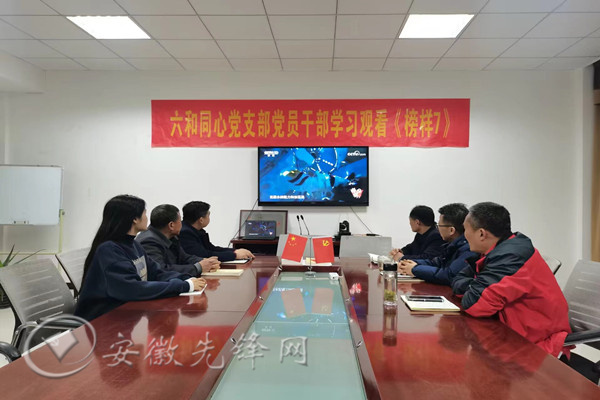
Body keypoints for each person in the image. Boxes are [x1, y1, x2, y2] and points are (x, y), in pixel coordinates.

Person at [451, 202, 571, 357]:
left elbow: (475, 304)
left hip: (535, 347)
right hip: (511, 334)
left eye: (465, 229)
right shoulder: (495, 251)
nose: (463, 235)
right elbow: (457, 279)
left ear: (481, 234)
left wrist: (474, 287)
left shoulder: (510, 258)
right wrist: (474, 286)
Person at [75, 195, 206, 321]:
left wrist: (185, 278)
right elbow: (133, 289)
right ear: (135, 219)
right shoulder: (109, 250)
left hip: (125, 314)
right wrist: (183, 286)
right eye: (144, 213)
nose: (147, 218)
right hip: (101, 321)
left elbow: (156, 272)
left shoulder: (134, 245)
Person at [398, 203, 478, 285]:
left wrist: (415, 269)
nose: (437, 229)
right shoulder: (452, 245)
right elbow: (437, 263)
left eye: (439, 225)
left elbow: (449, 275)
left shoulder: (468, 249)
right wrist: (407, 264)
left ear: (451, 230)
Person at [136, 204, 220, 276]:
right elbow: (161, 270)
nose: (182, 223)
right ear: (171, 225)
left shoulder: (172, 236)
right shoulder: (149, 242)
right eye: (180, 220)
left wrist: (206, 262)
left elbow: (185, 258)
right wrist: (198, 267)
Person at [179, 201, 254, 261]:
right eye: (208, 215)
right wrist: (235, 255)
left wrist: (235, 251)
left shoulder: (197, 230)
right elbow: (204, 255)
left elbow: (211, 248)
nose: (209, 218)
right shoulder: (185, 233)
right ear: (201, 220)